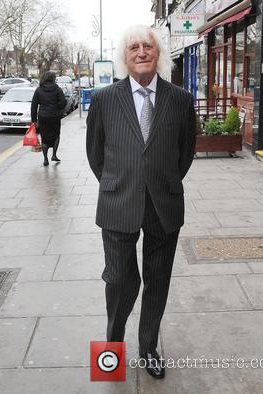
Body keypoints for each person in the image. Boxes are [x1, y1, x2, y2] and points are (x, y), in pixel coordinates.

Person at [86, 25, 196, 379]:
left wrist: (162, 180)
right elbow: (95, 154)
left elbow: (186, 152)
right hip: (119, 202)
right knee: (119, 280)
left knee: (157, 279)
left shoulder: (179, 99)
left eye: (148, 45)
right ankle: (113, 346)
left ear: (158, 52)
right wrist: (118, 182)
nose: (142, 51)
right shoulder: (104, 99)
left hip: (163, 203)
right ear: (124, 56)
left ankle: (148, 346)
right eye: (134, 47)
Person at [31, 71, 67, 166]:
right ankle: (54, 155)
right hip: (54, 116)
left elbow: (33, 105)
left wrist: (34, 120)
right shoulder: (57, 89)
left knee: (44, 138)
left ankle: (45, 159)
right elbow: (63, 102)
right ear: (53, 79)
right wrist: (58, 107)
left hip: (43, 117)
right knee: (56, 135)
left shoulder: (39, 90)